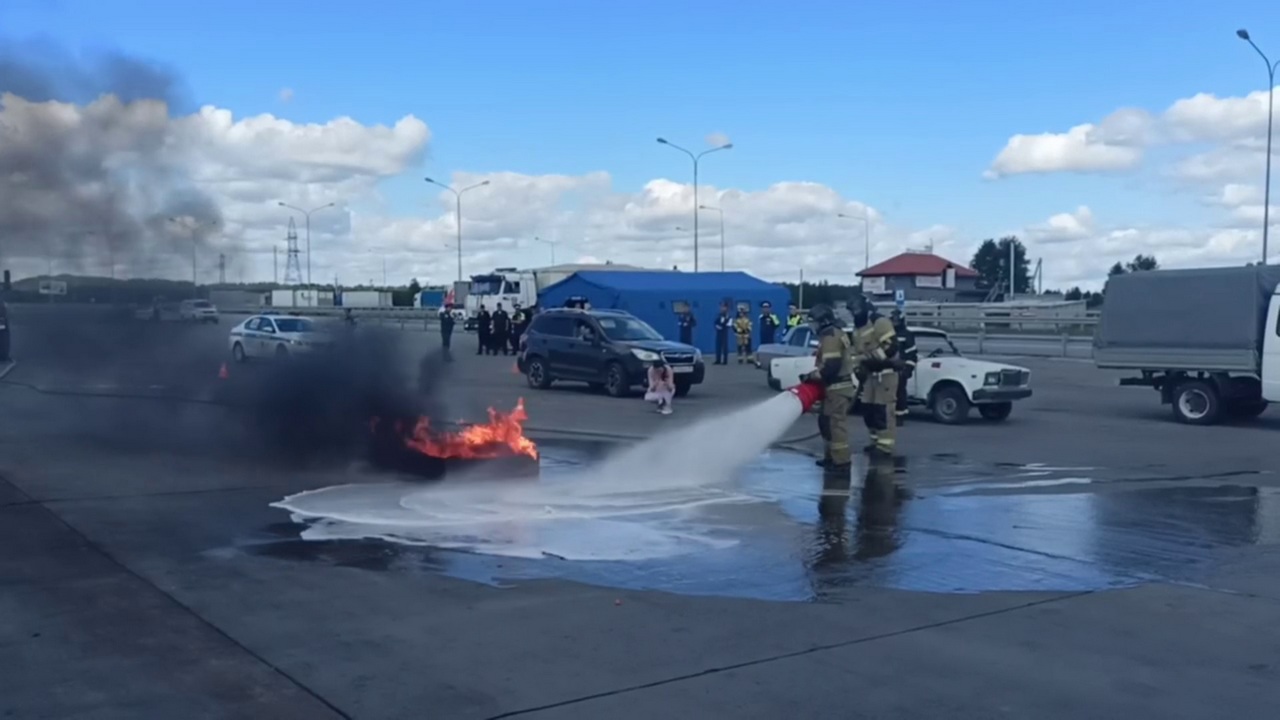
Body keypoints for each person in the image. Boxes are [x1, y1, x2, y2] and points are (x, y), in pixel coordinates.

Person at [802, 304, 857, 472]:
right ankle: (831, 457)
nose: (813, 326)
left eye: (815, 322)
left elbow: (831, 367)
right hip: (833, 388)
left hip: (838, 388)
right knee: (826, 423)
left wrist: (811, 376)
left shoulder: (831, 336)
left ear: (824, 321)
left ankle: (841, 462)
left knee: (836, 425)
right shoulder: (831, 334)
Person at [850, 296, 899, 456]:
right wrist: (858, 367)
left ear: (865, 307)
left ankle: (885, 446)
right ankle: (875, 441)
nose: (855, 313)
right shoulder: (857, 328)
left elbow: (891, 347)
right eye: (852, 311)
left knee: (882, 410)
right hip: (870, 375)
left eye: (857, 310)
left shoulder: (879, 322)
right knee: (868, 410)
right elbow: (855, 352)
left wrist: (868, 360)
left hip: (885, 373)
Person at [890, 309, 917, 426]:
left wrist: (908, 369)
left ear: (901, 320)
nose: (895, 322)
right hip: (889, 368)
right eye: (893, 320)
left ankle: (900, 416)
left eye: (897, 320)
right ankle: (889, 415)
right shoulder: (889, 334)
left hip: (901, 369)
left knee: (900, 393)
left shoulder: (907, 335)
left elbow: (912, 354)